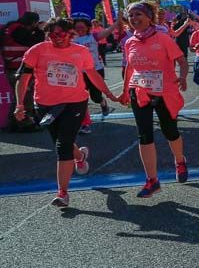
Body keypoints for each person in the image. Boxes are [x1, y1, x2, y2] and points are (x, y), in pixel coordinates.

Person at [15, 19, 117, 208]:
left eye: (62, 35)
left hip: (74, 103)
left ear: (71, 34)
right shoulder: (37, 50)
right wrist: (20, 104)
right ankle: (80, 157)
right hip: (45, 105)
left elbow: (92, 74)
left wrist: (109, 94)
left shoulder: (81, 52)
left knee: (63, 145)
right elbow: (24, 78)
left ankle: (62, 193)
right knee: (61, 143)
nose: (57, 39)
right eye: (53, 35)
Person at [120, 2, 190, 198]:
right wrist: (125, 91)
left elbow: (182, 61)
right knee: (144, 135)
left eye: (138, 14)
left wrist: (182, 76)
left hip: (164, 92)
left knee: (170, 131)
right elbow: (129, 68)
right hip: (139, 91)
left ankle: (179, 160)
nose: (134, 18)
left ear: (150, 17)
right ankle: (152, 180)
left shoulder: (163, 39)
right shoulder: (129, 42)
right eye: (131, 15)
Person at [71, 17, 118, 133]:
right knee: (81, 98)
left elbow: (109, 30)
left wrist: (119, 21)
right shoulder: (71, 40)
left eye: (82, 27)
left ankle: (102, 102)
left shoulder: (93, 37)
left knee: (95, 97)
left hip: (95, 70)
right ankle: (84, 124)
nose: (79, 29)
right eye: (77, 27)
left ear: (88, 27)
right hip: (79, 72)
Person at [3, 11, 45, 132]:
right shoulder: (18, 30)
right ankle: (25, 123)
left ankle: (13, 123)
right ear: (33, 22)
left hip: (11, 67)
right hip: (19, 69)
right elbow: (35, 42)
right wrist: (39, 30)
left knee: (18, 98)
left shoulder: (10, 28)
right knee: (25, 97)